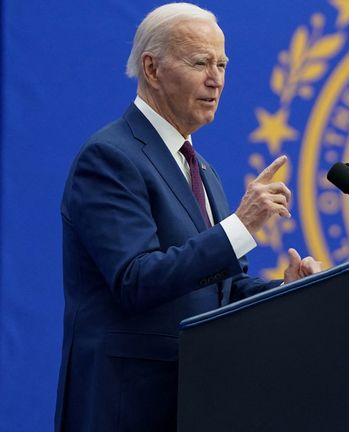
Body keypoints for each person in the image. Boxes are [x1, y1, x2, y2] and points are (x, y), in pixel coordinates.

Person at [54, 3, 320, 431]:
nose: (216, 79)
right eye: (200, 62)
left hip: (196, 403)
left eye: (222, 64)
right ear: (152, 69)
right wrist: (239, 227)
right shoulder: (108, 158)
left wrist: (284, 292)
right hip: (126, 408)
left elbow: (219, 291)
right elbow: (135, 280)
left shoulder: (201, 169)